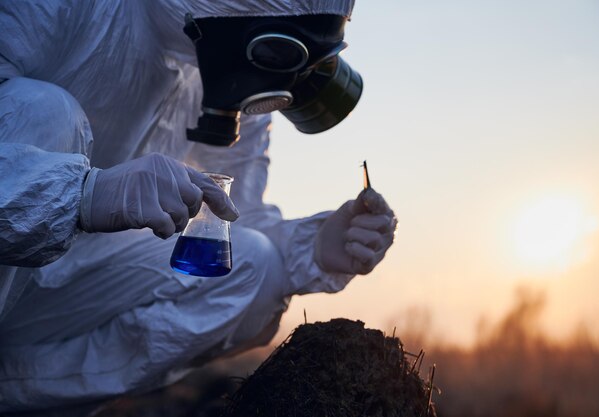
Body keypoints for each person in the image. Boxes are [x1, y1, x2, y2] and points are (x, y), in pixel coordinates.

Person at [0, 0, 397, 413]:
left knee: (259, 264)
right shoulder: (61, 10)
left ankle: (16, 394)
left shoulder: (235, 73)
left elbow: (236, 214)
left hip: (58, 293)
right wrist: (83, 194)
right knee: (39, 110)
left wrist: (312, 247)